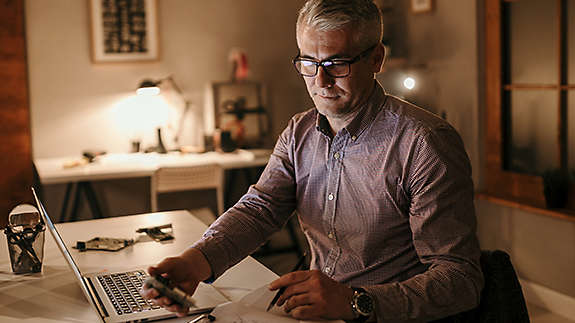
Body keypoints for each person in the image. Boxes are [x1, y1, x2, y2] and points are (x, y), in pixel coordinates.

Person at [141, 0, 484, 322]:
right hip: (317, 313)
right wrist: (196, 262)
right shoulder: (299, 131)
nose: (320, 81)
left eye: (337, 63)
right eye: (308, 63)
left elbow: (460, 279)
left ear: (376, 59)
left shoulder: (426, 143)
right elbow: (259, 209)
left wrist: (354, 301)